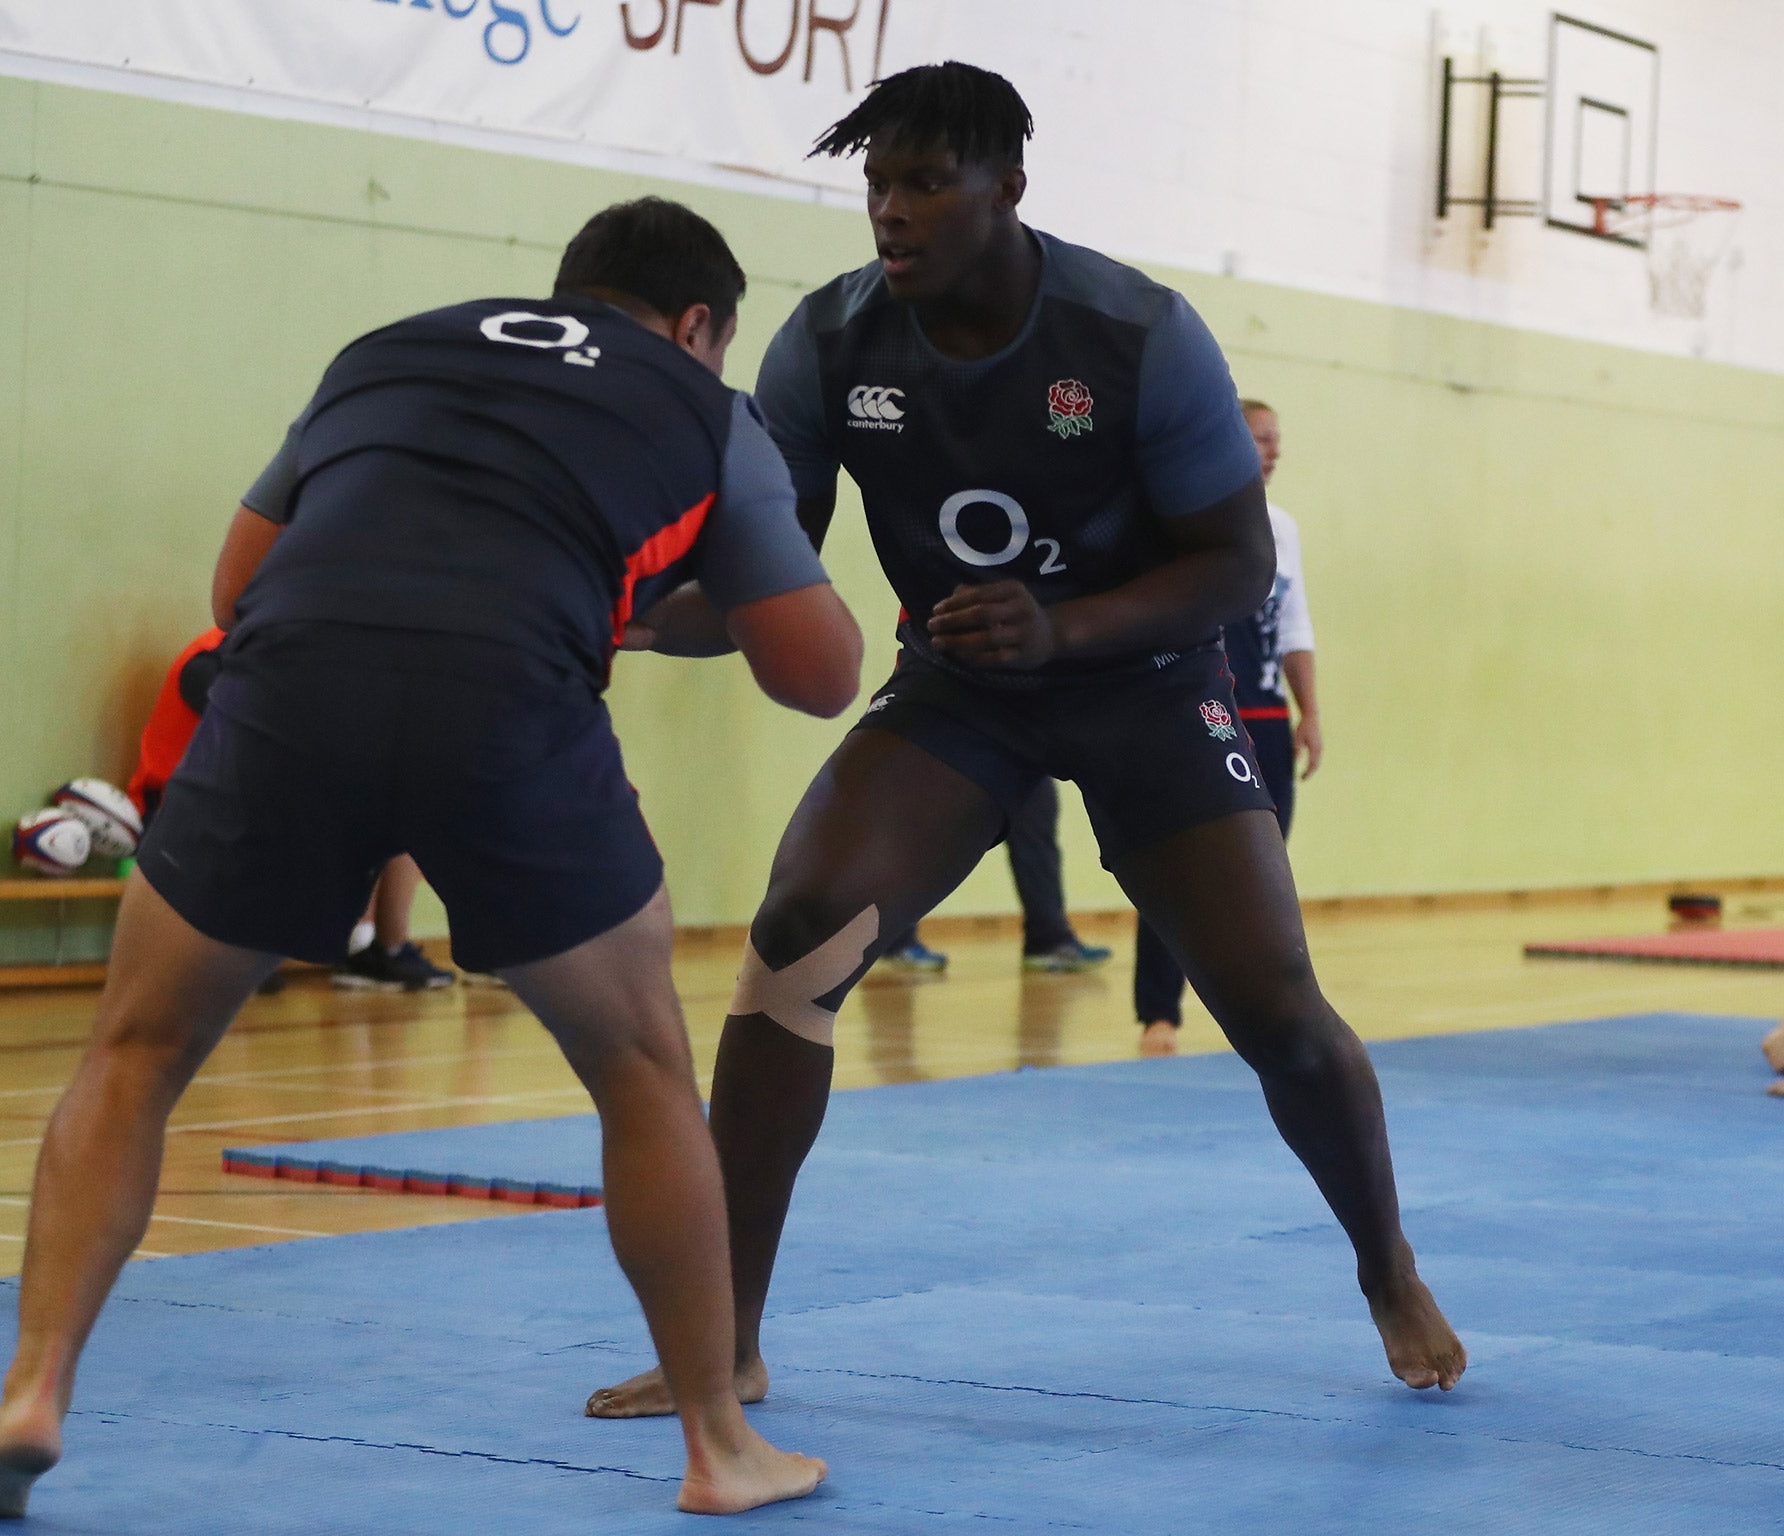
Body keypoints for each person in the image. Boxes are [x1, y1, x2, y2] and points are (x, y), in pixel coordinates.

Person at [0, 197, 854, 1520]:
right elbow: (818, 672)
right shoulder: (707, 409)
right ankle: (719, 1442)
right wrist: (643, 608)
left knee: (132, 1055)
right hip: (508, 695)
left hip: (290, 681)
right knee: (641, 1068)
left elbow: (237, 588)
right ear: (700, 325)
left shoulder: (386, 351)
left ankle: (29, 1392)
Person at [585, 64, 1463, 1423]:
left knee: (1276, 1009)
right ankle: (730, 1338)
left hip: (1148, 679)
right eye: (877, 183)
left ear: (1009, 190)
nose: (892, 210)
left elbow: (1233, 568)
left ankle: (1387, 1265)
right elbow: (769, 579)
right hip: (961, 689)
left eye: (927, 182)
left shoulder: (1139, 334)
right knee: (797, 937)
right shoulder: (826, 343)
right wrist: (617, 608)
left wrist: (1068, 631)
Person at [1133, 399, 1317, 1054]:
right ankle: (1160, 1011)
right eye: (1259, 439)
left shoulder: (1282, 528)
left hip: (1266, 716)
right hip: (1195, 714)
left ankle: (1271, 1009)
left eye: (1277, 441)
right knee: (1177, 867)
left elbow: (1295, 626)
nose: (1271, 452)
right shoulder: (1179, 515)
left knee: (1263, 871)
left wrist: (1310, 713)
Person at [126, 629, 454, 991]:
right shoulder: (209, 660)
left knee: (399, 802)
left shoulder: (299, 664)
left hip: (244, 807)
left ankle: (378, 951)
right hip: (171, 814)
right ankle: (229, 947)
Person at [878, 780, 1113, 972]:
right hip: (955, 738)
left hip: (1025, 745)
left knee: (1036, 824)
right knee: (924, 833)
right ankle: (893, 940)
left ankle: (1049, 939)